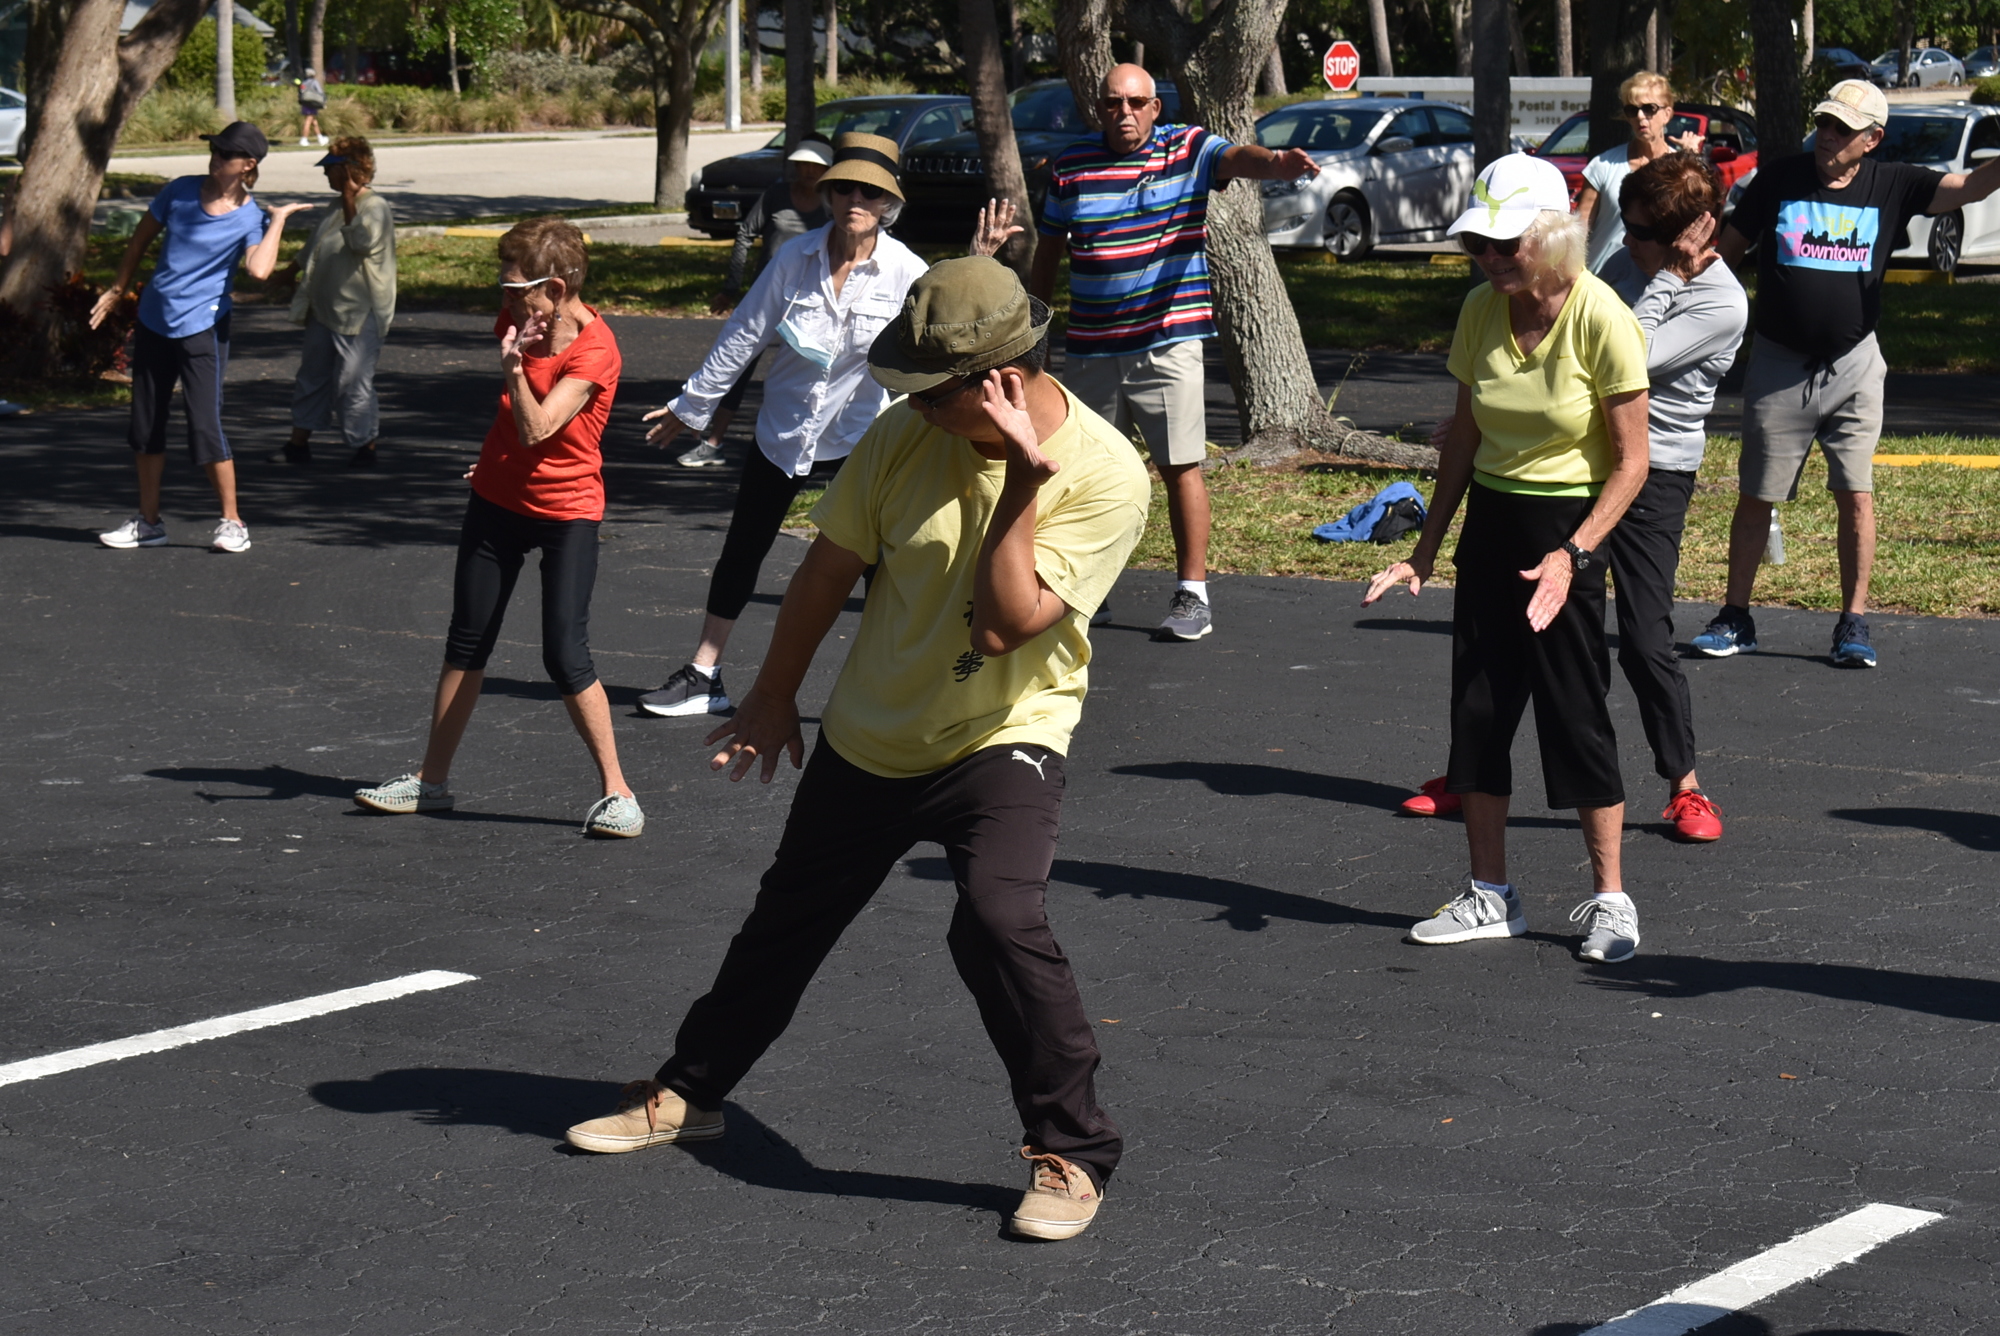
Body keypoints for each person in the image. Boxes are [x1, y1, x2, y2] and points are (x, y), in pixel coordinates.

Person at [564, 256, 1150, 1244]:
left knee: (997, 919)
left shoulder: (1105, 473)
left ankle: (1072, 1151)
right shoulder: (899, 438)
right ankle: (689, 1093)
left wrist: (1019, 481)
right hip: (875, 730)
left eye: (929, 388)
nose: (908, 404)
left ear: (999, 379)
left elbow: (1007, 628)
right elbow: (826, 570)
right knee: (787, 917)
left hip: (1001, 733)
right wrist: (773, 694)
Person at [1399, 153, 1746, 845]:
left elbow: (1627, 352)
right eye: (1632, 230)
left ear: (1687, 239)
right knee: (1518, 637)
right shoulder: (1616, 269)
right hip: (1570, 473)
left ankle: (1685, 786)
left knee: (1645, 639)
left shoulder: (1720, 300)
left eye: (1646, 236)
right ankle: (1473, 775)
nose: (1630, 244)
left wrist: (1669, 280)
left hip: (1652, 473)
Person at [1362, 154, 1652, 963]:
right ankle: (1490, 894)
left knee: (1575, 711)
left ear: (1553, 236)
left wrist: (1573, 554)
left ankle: (1611, 901)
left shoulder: (1602, 317)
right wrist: (1424, 551)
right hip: (1492, 521)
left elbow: (1634, 463)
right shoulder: (1479, 311)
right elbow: (1464, 440)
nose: (1488, 258)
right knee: (1480, 711)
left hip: (1572, 525)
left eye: (1504, 243)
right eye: (1476, 245)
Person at [634, 133, 1018, 719]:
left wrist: (978, 262)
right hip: (785, 433)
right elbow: (745, 332)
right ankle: (703, 675)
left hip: (864, 439)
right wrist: (693, 406)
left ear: (888, 202)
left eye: (868, 191)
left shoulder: (905, 271)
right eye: (842, 188)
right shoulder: (795, 259)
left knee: (879, 565)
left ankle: (893, 689)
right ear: (828, 194)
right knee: (743, 549)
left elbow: (945, 326)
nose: (853, 200)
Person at [1691, 79, 2000, 668]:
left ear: (1872, 139)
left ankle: (1853, 623)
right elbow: (1725, 252)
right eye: (1824, 124)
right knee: (1756, 494)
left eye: (1842, 130)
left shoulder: (1894, 182)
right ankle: (1736, 616)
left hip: (1856, 365)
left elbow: (1970, 186)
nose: (1827, 137)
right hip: (1779, 363)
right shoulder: (1780, 178)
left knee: (1855, 495)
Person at [352, 218, 644, 837]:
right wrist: (494, 462)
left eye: (518, 289)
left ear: (557, 287)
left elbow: (541, 427)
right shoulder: (518, 321)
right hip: (496, 501)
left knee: (565, 652)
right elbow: (516, 430)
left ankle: (618, 795)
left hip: (568, 511)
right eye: (504, 288)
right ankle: (431, 784)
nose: (505, 301)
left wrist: (514, 369)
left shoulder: (596, 350)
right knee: (467, 641)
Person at [1030, 62, 1318, 642]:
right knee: (1079, 470)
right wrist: (1032, 329)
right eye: (1113, 104)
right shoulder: (1070, 168)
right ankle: (1086, 587)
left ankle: (1193, 594)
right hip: (1090, 346)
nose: (1125, 114)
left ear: (1155, 107)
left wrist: (1276, 164)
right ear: (1099, 109)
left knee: (1179, 465)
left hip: (1166, 342)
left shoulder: (1185, 148)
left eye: (1136, 102)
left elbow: (1237, 157)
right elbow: (1048, 253)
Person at [89, 122, 308, 554]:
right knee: (145, 427)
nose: (216, 158)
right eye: (215, 149)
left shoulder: (250, 217)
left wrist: (277, 220)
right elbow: (138, 241)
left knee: (205, 425)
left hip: (201, 328)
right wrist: (118, 288)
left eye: (226, 154)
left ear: (248, 165)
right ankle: (148, 523)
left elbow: (261, 270)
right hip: (154, 320)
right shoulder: (180, 191)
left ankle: (233, 522)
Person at [674, 137, 835, 470]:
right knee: (740, 364)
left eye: (816, 165)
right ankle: (713, 442)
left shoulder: (835, 203)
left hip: (813, 302)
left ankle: (821, 451)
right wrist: (732, 286)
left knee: (814, 372)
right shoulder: (777, 194)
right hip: (769, 297)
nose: (808, 171)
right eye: (803, 163)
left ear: (828, 169)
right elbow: (745, 234)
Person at [274, 136, 396, 469]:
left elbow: (361, 241)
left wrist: (348, 197)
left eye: (332, 170)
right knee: (312, 375)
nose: (326, 176)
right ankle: (298, 443)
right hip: (325, 309)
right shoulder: (333, 209)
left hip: (358, 313)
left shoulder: (375, 207)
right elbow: (312, 249)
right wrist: (284, 276)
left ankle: (364, 445)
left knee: (351, 381)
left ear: (351, 172)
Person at [1575, 70, 1702, 273]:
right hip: (1604, 283)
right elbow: (1579, 232)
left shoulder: (1680, 168)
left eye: (1649, 109)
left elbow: (1695, 223)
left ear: (1667, 114)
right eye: (1632, 110)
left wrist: (1692, 161)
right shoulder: (1603, 165)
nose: (1640, 117)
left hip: (1658, 283)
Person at [298, 68, 328, 147]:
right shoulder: (314, 82)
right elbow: (320, 92)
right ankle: (304, 139)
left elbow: (301, 91)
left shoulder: (304, 83)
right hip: (312, 103)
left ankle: (320, 138)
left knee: (314, 122)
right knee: (308, 121)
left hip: (305, 103)